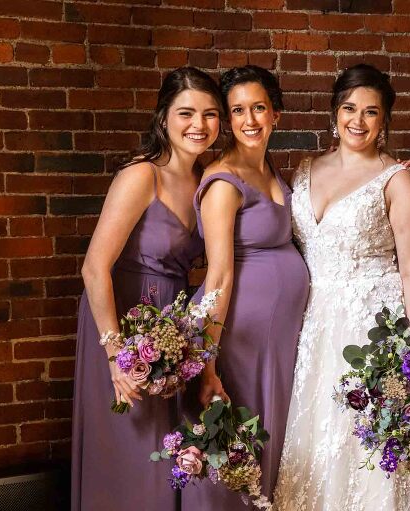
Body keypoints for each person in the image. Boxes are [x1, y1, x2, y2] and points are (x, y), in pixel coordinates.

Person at [273, 64, 410, 511]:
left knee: (374, 443)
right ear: (334, 113)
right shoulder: (304, 169)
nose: (357, 120)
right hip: (318, 328)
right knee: (321, 438)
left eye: (370, 112)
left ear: (384, 121)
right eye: (349, 108)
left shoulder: (397, 181)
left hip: (375, 331)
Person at [71, 67, 222, 510]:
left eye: (210, 114)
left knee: (165, 449)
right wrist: (115, 354)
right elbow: (94, 268)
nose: (199, 124)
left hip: (171, 326)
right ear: (163, 118)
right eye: (186, 113)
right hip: (119, 321)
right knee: (129, 449)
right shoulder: (142, 174)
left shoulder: (206, 180)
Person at [181, 66, 310, 510]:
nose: (249, 120)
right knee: (239, 442)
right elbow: (217, 278)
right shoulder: (223, 181)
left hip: (275, 336)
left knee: (268, 438)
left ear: (276, 113)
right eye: (237, 110)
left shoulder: (268, 165)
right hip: (239, 335)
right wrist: (208, 363)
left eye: (258, 108)